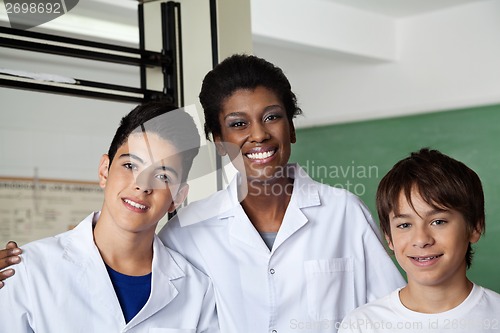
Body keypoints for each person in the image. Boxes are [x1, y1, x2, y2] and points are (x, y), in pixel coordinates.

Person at [0, 54, 405, 332]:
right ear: (220, 140)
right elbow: (116, 249)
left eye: (272, 117)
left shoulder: (344, 213)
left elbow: (395, 314)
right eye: (238, 124)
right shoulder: (186, 234)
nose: (259, 134)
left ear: (291, 127)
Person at [0, 102, 219, 332]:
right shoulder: (28, 271)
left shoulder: (197, 291)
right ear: (105, 170)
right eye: (130, 165)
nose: (142, 186)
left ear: (177, 198)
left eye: (163, 176)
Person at [338, 148, 500, 333]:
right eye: (405, 225)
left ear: (475, 227)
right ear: (388, 237)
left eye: (438, 222)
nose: (421, 239)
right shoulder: (363, 325)